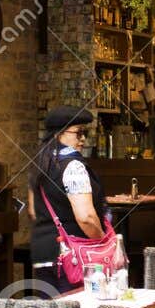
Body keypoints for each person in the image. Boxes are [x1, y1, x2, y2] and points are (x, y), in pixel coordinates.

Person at [28, 106, 109, 290]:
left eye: (85, 133)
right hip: (72, 257)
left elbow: (33, 211)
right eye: (79, 133)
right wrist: (103, 243)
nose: (83, 139)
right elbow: (86, 218)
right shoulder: (73, 166)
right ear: (59, 134)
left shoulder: (40, 163)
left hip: (43, 253)